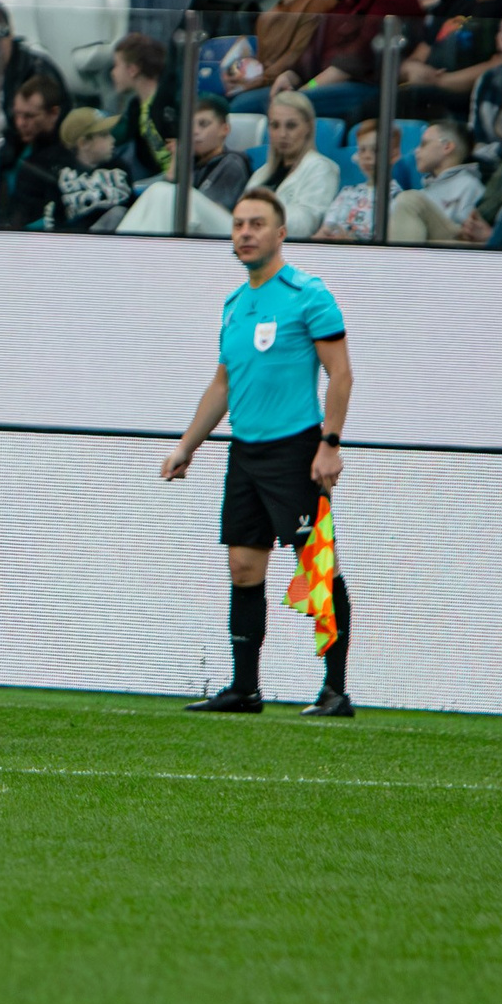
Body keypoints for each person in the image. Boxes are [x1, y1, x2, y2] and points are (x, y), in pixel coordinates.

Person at [161, 185, 357, 717]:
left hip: (296, 451)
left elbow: (341, 375)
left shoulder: (307, 294)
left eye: (255, 224)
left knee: (317, 568)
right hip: (244, 454)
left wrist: (329, 445)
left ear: (280, 233)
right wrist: (188, 445)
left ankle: (335, 689)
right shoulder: (234, 303)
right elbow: (223, 383)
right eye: (238, 224)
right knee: (244, 569)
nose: (244, 233)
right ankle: (244, 689)